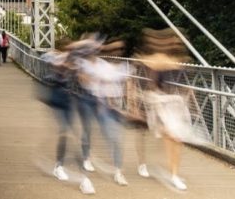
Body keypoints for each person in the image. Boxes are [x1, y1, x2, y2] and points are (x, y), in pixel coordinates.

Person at [71, 35, 129, 186]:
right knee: (88, 131)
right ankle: (86, 159)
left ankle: (118, 171)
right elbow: (83, 79)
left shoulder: (104, 65)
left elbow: (122, 82)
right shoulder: (81, 62)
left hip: (102, 102)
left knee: (114, 137)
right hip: (86, 99)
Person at [41, 47, 96, 195]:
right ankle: (78, 176)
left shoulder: (73, 67)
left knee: (71, 137)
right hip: (57, 104)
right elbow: (46, 81)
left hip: (68, 105)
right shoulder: (55, 66)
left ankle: (60, 166)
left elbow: (80, 82)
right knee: (66, 134)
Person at [140, 52, 194, 191]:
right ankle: (173, 176)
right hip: (161, 115)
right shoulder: (155, 78)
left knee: (176, 143)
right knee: (172, 141)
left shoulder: (171, 74)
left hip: (170, 113)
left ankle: (173, 173)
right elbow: (155, 102)